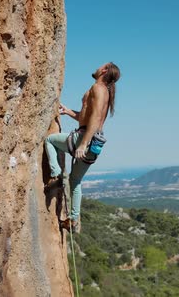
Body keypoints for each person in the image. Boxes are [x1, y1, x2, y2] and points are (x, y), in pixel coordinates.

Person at [44, 62, 121, 233]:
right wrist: (69, 112)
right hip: (95, 143)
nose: (97, 66)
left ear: (104, 70)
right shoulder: (105, 92)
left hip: (85, 138)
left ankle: (55, 173)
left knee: (50, 141)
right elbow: (86, 117)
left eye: (101, 65)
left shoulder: (97, 88)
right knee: (75, 181)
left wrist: (83, 143)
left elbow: (93, 118)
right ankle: (73, 219)